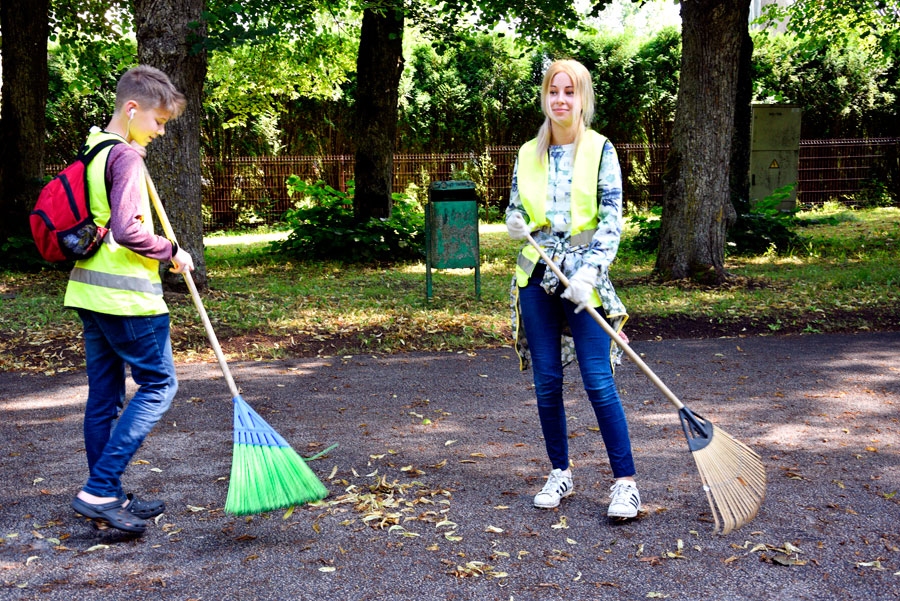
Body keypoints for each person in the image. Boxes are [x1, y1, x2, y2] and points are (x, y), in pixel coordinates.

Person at [506, 59, 640, 520]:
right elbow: (513, 209)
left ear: (583, 98)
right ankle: (560, 471)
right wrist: (514, 224)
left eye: (570, 91)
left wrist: (588, 275)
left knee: (598, 381)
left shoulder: (602, 150)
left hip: (584, 278)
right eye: (553, 91)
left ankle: (625, 483)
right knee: (547, 383)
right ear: (544, 97)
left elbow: (611, 219)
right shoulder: (527, 152)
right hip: (535, 275)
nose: (560, 99)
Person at [64, 65, 193, 534]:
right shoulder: (127, 159)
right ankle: (100, 489)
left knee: (104, 397)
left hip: (88, 291)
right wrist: (173, 251)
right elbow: (128, 230)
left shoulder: (96, 147)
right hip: (127, 300)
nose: (161, 131)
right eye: (158, 121)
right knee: (159, 386)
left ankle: (108, 495)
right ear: (132, 108)